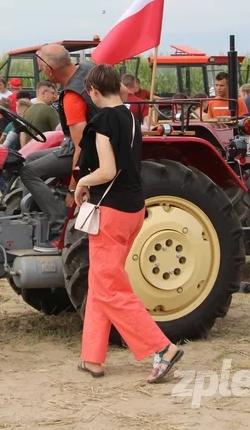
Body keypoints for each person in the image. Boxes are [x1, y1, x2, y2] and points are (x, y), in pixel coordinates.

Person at [73, 64, 183, 383]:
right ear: (118, 87)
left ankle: (162, 348)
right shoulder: (133, 117)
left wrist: (83, 183)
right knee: (101, 283)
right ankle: (92, 357)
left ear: (92, 91)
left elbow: (107, 170)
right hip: (134, 209)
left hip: (110, 210)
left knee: (110, 288)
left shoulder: (103, 120)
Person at [20, 44, 98, 248]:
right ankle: (39, 209)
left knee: (27, 172)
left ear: (48, 69)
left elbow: (82, 146)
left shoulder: (72, 97)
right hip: (85, 140)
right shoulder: (89, 68)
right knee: (27, 160)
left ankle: (58, 226)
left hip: (84, 148)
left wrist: (74, 189)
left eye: (40, 67)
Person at [20, 81, 60, 147]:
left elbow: (23, 135)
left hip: (29, 151)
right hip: (44, 151)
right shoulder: (50, 110)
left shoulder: (28, 111)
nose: (54, 96)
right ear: (44, 93)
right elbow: (59, 133)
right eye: (52, 93)